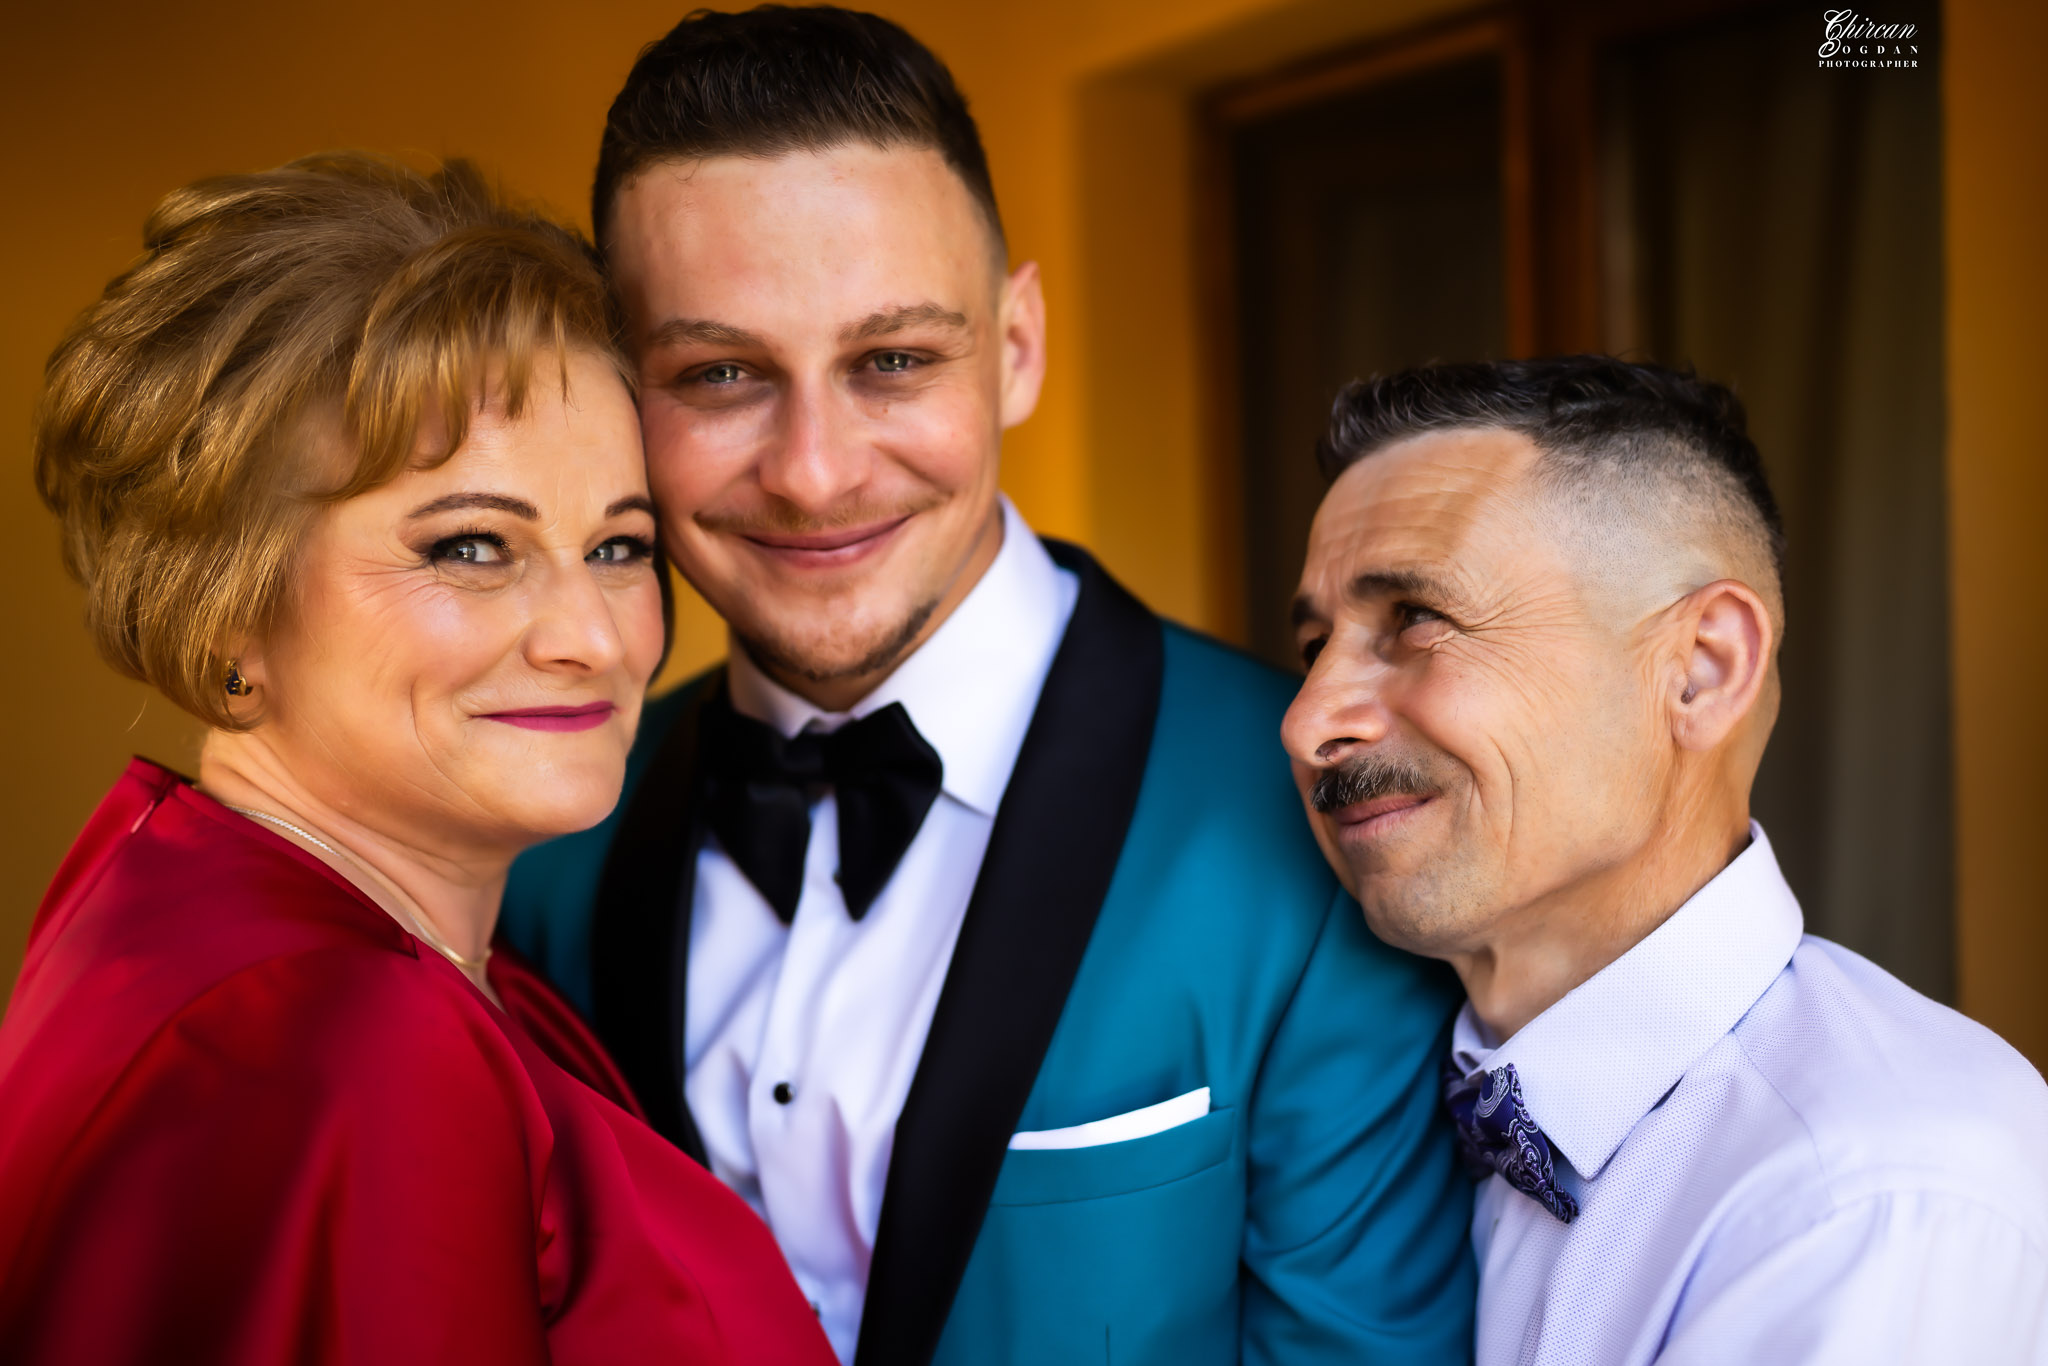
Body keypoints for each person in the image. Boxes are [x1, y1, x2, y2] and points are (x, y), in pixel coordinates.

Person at [501, 8, 1475, 1364]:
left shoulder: (1316, 822)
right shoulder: (545, 832)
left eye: (892, 361)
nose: (815, 471)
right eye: (720, 374)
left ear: (1016, 347)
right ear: (621, 397)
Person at [0, 152, 836, 1366]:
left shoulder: (184, 898)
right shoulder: (356, 1040)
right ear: (225, 608)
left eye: (618, 546)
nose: (592, 638)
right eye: (470, 547)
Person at [1281, 355, 2048, 1364]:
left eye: (1418, 619)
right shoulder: (1352, 1100)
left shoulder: (1872, 1192)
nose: (1306, 723)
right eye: (1314, 648)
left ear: (1700, 669)